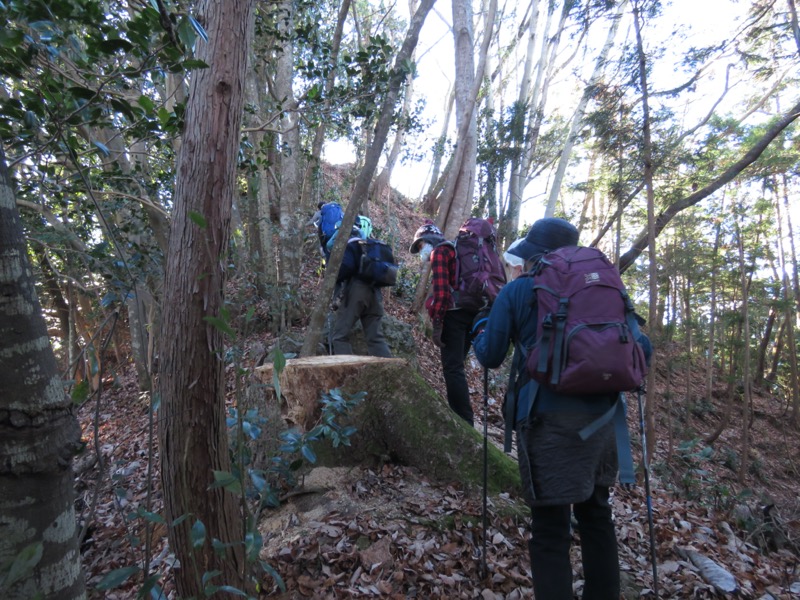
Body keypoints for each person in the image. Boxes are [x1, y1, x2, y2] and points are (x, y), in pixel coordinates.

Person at [472, 217, 650, 600]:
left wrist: (480, 325)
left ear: (533, 254)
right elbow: (643, 350)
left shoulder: (519, 290)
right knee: (597, 516)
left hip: (545, 420)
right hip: (603, 418)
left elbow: (489, 356)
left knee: (551, 528)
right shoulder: (605, 288)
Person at [409, 220, 476, 426]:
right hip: (473, 313)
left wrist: (437, 323)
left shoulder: (439, 252)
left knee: (452, 368)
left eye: (420, 246)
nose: (422, 252)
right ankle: (463, 415)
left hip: (454, 315)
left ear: (427, 241)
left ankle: (463, 421)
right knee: (458, 366)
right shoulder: (456, 249)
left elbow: (441, 293)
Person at [330, 216, 392, 358]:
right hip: (375, 293)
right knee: (375, 338)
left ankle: (348, 376)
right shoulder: (369, 245)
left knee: (340, 336)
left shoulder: (350, 245)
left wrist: (335, 278)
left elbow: (345, 268)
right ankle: (391, 372)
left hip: (356, 292)